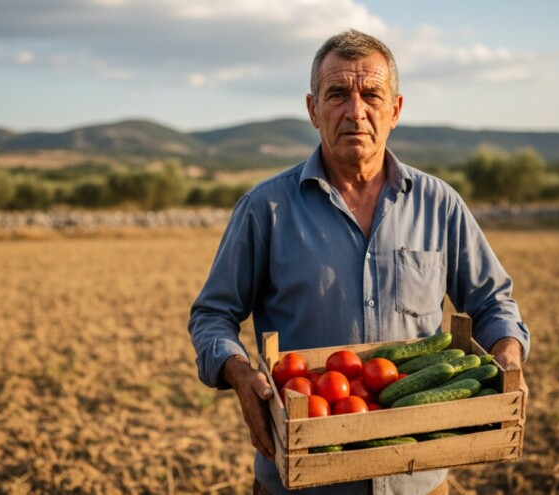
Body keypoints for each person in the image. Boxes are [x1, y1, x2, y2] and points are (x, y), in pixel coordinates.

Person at [189, 29, 529, 495]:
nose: (355, 111)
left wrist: (508, 354)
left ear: (396, 109)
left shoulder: (440, 204)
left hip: (419, 478)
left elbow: (493, 303)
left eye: (372, 94)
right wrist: (239, 373)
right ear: (312, 109)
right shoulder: (265, 208)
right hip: (302, 479)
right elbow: (212, 315)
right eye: (337, 95)